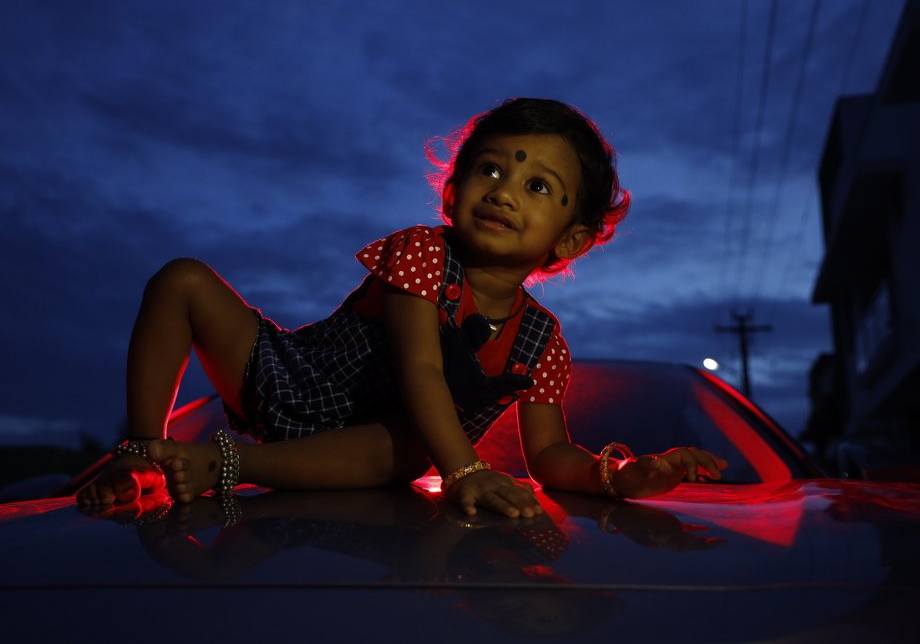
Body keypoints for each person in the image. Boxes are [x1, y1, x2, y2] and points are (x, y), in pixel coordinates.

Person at [77, 98, 727, 517]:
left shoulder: (543, 344)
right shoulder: (422, 253)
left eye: (536, 186)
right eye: (489, 170)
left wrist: (620, 475)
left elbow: (550, 455)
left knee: (420, 444)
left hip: (372, 453)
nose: (504, 193)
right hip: (285, 376)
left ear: (572, 237)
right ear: (453, 190)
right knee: (182, 279)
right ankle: (143, 451)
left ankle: (221, 464)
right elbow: (422, 369)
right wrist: (466, 469)